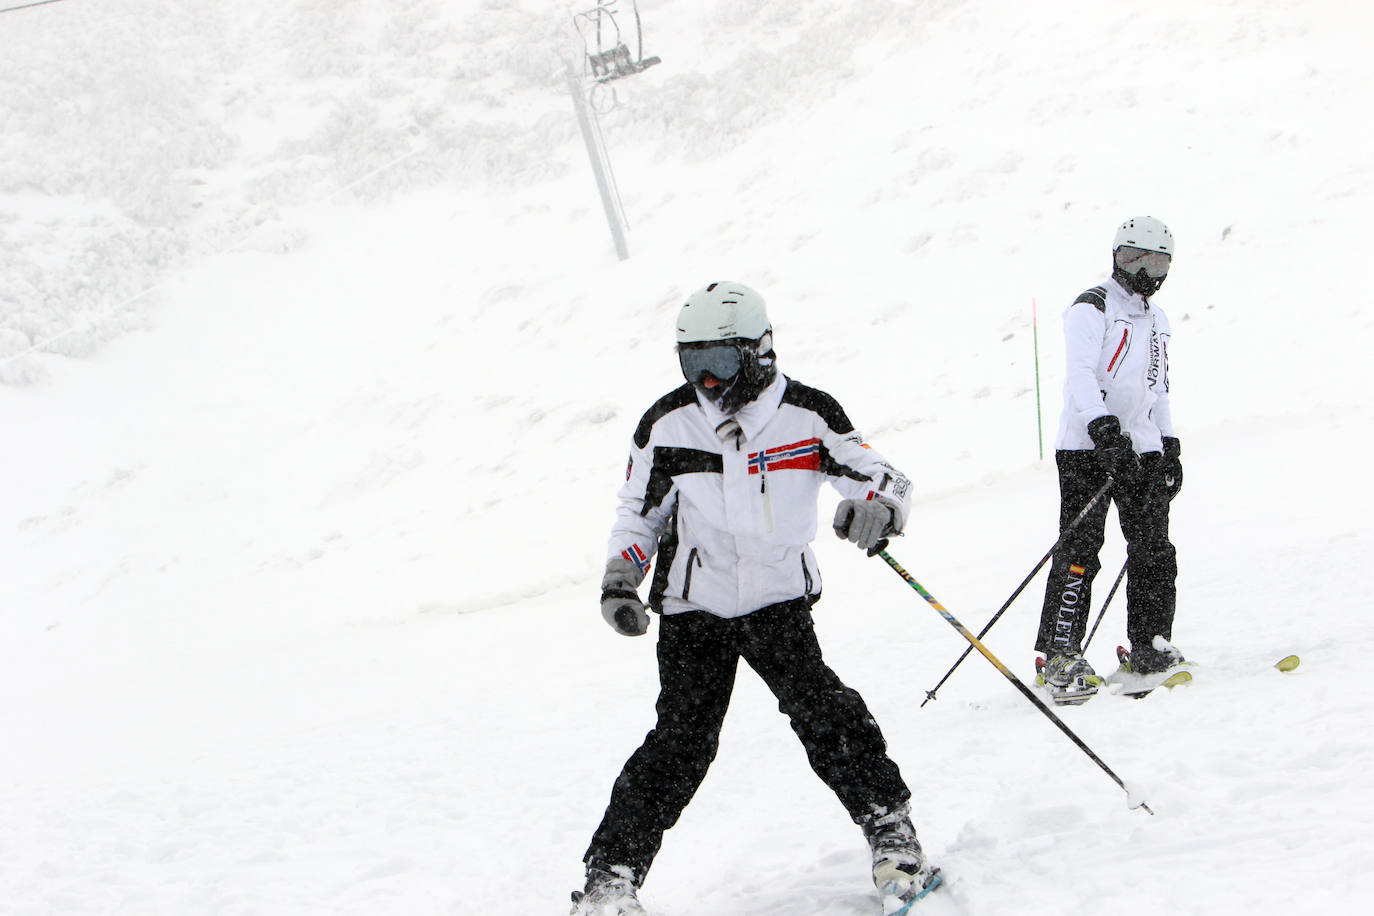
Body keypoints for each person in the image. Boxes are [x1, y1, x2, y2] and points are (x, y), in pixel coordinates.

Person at [571, 282, 940, 915]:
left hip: (777, 600)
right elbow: (639, 512)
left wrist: (878, 509)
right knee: (680, 743)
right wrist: (620, 577)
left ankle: (891, 833)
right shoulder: (666, 424)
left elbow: (887, 476)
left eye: (718, 361)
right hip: (695, 605)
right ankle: (611, 879)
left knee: (825, 713)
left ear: (759, 351)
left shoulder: (808, 414)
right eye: (692, 363)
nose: (706, 381)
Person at [1033, 216, 1186, 705]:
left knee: (1154, 550)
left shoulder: (1156, 318)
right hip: (1087, 446)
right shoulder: (1092, 306)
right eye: (1137, 259)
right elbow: (1079, 373)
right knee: (1081, 550)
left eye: (1159, 261)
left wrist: (1168, 442)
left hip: (1139, 448)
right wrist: (1101, 426)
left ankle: (1150, 647)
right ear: (1118, 256)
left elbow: (1156, 385)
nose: (1148, 271)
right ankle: (1060, 653)